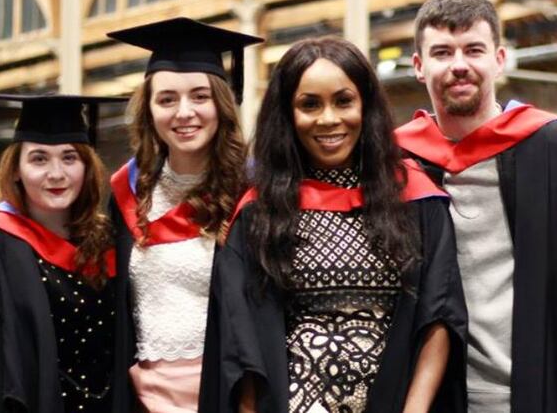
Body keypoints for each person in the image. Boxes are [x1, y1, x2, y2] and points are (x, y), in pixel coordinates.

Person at [199, 36, 467, 413]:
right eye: (309, 104)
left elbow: (438, 314)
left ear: (366, 105)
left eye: (343, 101)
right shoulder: (261, 212)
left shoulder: (416, 199)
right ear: (287, 115)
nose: (328, 119)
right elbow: (241, 341)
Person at [394, 0, 557, 412]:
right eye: (442, 53)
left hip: (549, 390)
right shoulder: (394, 166)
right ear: (419, 67)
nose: (459, 65)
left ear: (499, 59)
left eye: (473, 50)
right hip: (434, 397)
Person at [106, 18, 262, 412]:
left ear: (222, 105)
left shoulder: (254, 191)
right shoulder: (127, 192)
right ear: (149, 109)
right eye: (167, 99)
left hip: (226, 390)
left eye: (199, 96)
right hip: (144, 397)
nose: (184, 112)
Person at [0, 93, 125, 413]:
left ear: (87, 168)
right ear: (16, 169)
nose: (56, 173)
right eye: (39, 159)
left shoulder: (107, 241)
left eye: (70, 157)